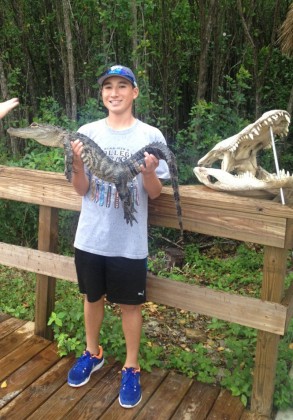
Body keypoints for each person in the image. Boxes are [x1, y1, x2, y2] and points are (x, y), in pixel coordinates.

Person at [67, 65, 170, 408]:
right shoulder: (85, 132)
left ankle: (131, 366)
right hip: (91, 237)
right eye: (108, 87)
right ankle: (92, 351)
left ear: (134, 92)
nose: (114, 92)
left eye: (122, 86)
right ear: (102, 94)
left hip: (128, 241)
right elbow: (81, 189)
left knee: (130, 306)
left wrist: (151, 173)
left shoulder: (150, 136)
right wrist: (79, 166)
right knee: (91, 297)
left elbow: (154, 194)